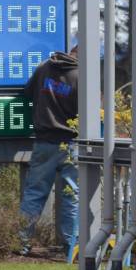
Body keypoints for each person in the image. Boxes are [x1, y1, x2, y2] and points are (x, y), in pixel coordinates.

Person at [18, 40, 79, 257]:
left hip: (44, 142)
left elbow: (27, 92)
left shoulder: (44, 67)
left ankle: (21, 243)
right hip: (71, 145)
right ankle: (70, 247)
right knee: (72, 196)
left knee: (33, 194)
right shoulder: (81, 76)